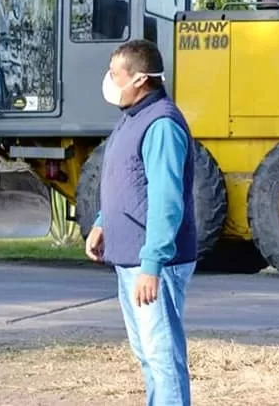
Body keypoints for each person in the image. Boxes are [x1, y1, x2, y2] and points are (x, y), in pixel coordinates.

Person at [84, 38, 198, 406]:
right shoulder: (132, 117)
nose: (109, 80)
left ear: (139, 79)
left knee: (163, 356)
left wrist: (153, 263)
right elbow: (125, 180)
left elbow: (166, 199)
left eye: (115, 74)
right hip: (129, 255)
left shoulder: (161, 123)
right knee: (148, 354)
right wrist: (102, 223)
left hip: (153, 262)